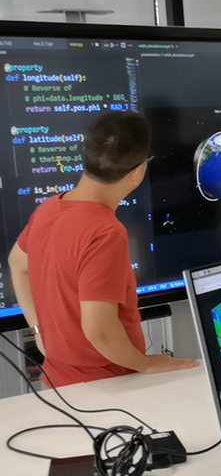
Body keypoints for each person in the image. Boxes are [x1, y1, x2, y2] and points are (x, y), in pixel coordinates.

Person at [8, 112, 197, 388]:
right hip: (107, 388)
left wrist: (37, 329)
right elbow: (99, 331)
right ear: (138, 172)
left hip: (58, 382)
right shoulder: (105, 232)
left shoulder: (48, 209)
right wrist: (145, 363)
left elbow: (16, 264)